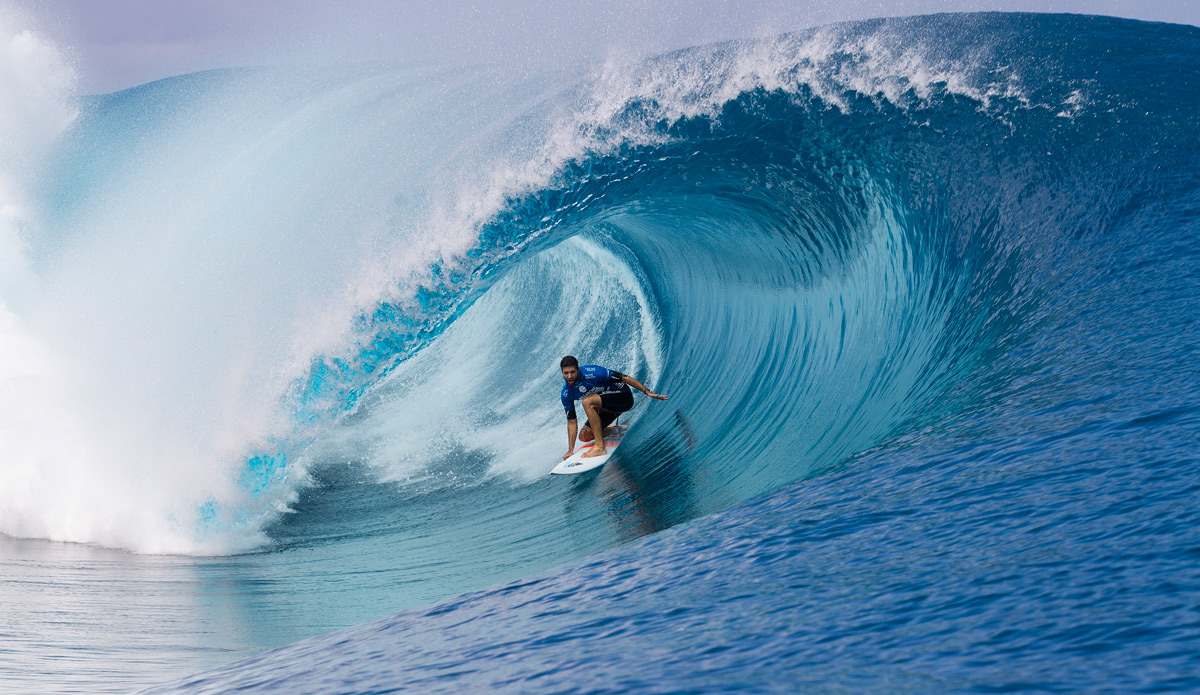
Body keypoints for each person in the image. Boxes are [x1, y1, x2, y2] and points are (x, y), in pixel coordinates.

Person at [559, 355, 668, 460]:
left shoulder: (593, 373)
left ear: (578, 370)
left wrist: (647, 391)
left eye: (572, 372)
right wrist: (570, 450)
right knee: (584, 436)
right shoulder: (566, 394)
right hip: (607, 407)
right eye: (566, 373)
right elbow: (572, 422)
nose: (569, 376)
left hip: (623, 398)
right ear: (562, 372)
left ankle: (600, 447)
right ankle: (616, 430)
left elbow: (625, 378)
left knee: (587, 402)